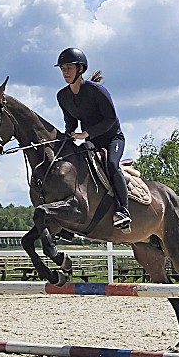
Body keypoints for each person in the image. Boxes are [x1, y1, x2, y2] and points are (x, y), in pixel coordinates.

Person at [55, 47, 131, 230]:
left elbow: (111, 119)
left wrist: (86, 134)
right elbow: (70, 123)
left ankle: (124, 211)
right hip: (91, 143)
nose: (65, 72)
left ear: (80, 69)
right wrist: (67, 136)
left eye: (69, 68)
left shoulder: (97, 90)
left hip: (113, 139)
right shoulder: (62, 96)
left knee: (112, 165)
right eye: (63, 69)